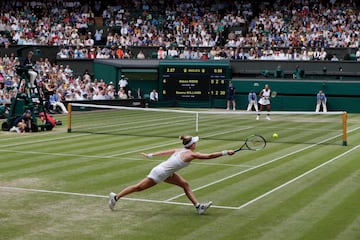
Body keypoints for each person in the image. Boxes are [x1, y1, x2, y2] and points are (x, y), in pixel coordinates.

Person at [108, 135, 235, 214]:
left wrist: (150, 155)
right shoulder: (191, 154)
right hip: (160, 173)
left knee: (185, 184)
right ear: (191, 145)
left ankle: (198, 207)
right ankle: (115, 197)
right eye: (195, 142)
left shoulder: (179, 149)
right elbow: (209, 156)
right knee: (138, 188)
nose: (196, 144)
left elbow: (163, 152)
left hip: (167, 173)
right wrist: (225, 152)